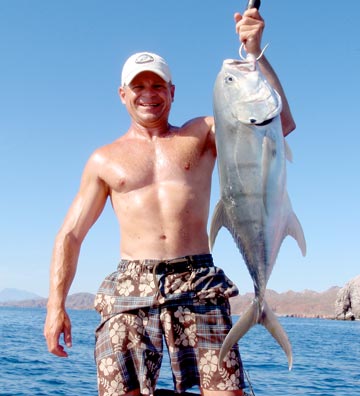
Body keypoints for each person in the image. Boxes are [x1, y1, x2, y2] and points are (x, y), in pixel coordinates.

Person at [44, 8, 295, 396]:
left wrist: (256, 54)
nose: (149, 95)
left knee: (226, 391)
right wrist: (54, 306)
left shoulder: (202, 133)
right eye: (139, 87)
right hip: (130, 284)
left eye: (158, 86)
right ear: (122, 94)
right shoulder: (103, 159)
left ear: (172, 92)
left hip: (198, 280)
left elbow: (279, 123)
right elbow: (70, 235)